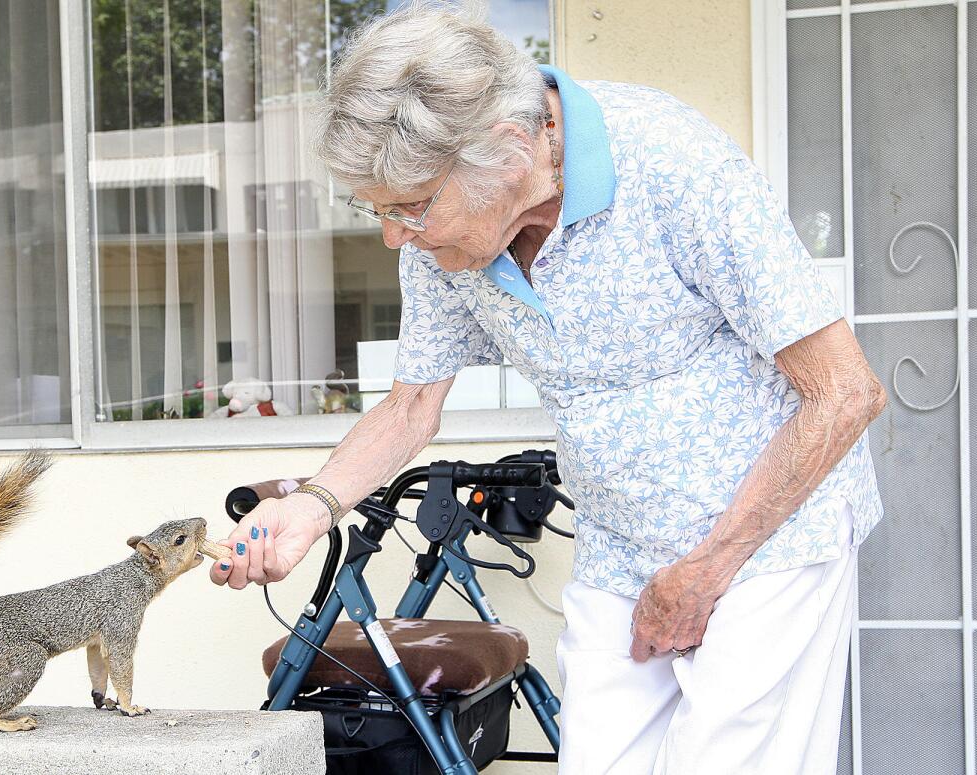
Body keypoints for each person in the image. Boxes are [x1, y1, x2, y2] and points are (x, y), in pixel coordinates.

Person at [209, 4, 886, 773]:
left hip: (768, 540)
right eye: (378, 211)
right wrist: (310, 507)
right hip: (623, 544)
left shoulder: (672, 164)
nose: (395, 235)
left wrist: (706, 572)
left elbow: (844, 391)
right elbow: (410, 406)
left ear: (508, 148)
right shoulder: (445, 242)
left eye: (411, 207)